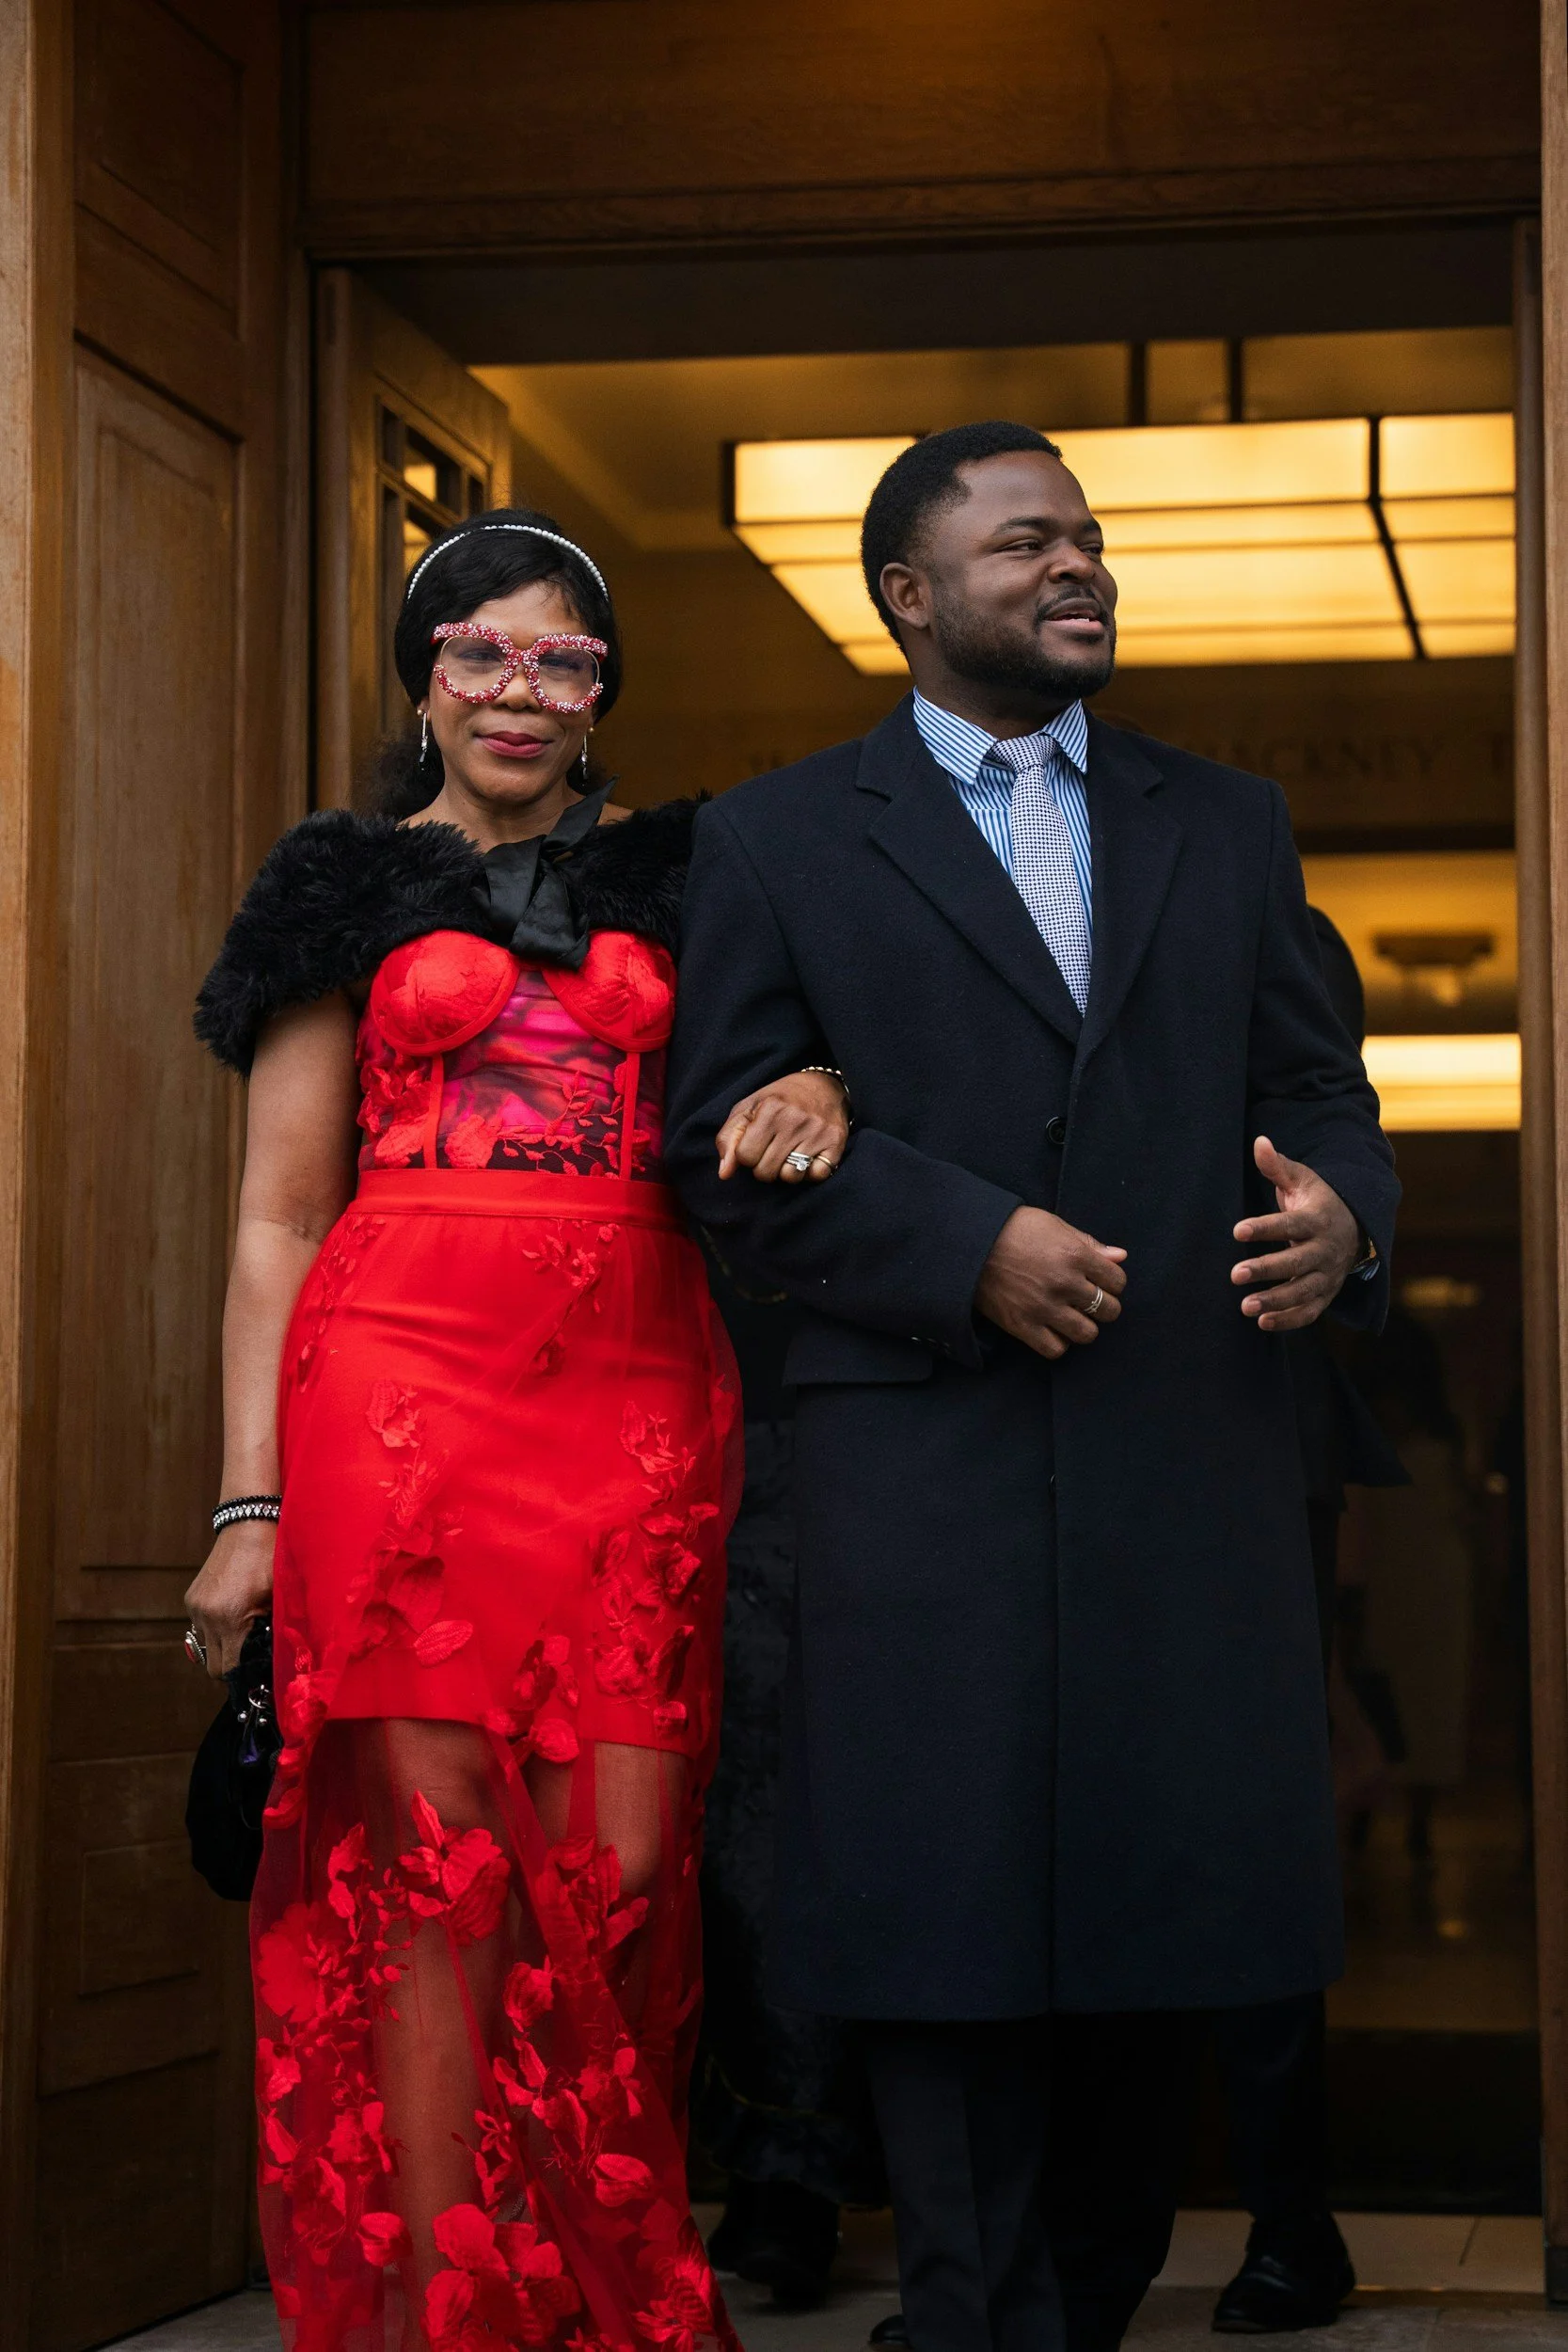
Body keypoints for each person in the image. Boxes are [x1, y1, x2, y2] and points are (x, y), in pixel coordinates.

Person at [663, 423, 1399, 2352]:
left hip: (1183, 1463)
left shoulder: (1222, 819)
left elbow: (1313, 1087)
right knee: (942, 1923)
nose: (1073, 564)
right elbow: (710, 1152)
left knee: (1157, 1925)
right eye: (1021, 543)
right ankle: (975, 2315)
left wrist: (1345, 1219)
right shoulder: (773, 836)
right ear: (906, 595)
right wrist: (952, 1240)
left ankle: (1065, 2310)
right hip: (926, 1475)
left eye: (1083, 537)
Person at [184, 508, 849, 2352]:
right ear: (422, 672)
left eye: (560, 657)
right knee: (431, 1848)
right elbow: (270, 1213)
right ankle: (442, 2304)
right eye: (479, 649)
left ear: (601, 683)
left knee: (621, 1849)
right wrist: (247, 1495)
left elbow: (801, 1045)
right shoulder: (336, 876)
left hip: (633, 1382)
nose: (518, 688)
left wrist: (813, 1071)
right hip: (394, 1383)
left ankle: (592, 2278)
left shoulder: (699, 868)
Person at [1208, 908, 1408, 2336]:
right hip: (1034, 1406)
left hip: (1248, 1415)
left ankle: (1290, 2219)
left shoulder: (1261, 920)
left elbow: (1325, 1120)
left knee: (1248, 1825)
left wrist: (1343, 1227)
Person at [694, 1243, 886, 2309]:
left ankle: (795, 2181)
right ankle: (764, 2172)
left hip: (854, 1443)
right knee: (723, 1834)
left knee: (797, 1822)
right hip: (688, 1435)